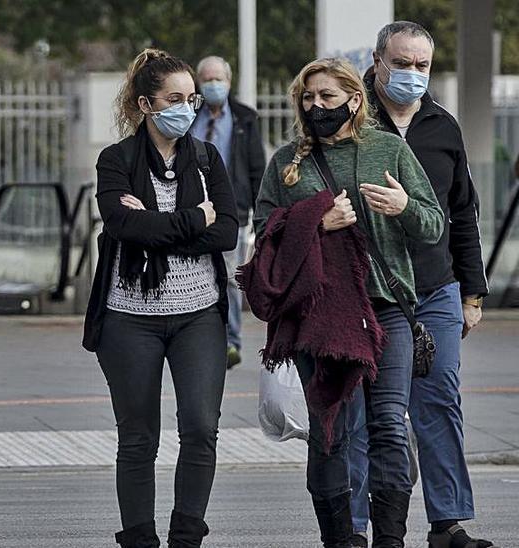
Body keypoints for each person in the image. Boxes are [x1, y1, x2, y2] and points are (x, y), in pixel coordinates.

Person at [252, 58, 442, 548]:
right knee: (330, 427)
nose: (317, 106)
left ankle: (390, 539)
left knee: (389, 427)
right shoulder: (285, 162)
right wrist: (315, 221)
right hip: (321, 315)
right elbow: (266, 232)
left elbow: (434, 224)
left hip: (385, 310)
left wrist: (403, 207)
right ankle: (340, 538)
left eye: (327, 97)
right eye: (308, 98)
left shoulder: (388, 149)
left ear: (355, 100)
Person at [81, 48, 238, 547]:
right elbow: (124, 224)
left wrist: (158, 228)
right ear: (147, 104)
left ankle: (186, 535)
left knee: (199, 426)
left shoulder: (208, 159)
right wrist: (196, 220)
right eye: (174, 98)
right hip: (130, 316)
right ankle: (140, 539)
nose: (187, 107)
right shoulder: (117, 160)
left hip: (199, 315)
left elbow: (229, 232)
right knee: (138, 437)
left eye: (192, 98)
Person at [346, 22, 493, 548]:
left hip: (435, 288)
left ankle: (448, 522)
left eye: (422, 66)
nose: (412, 74)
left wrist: (471, 293)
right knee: (364, 410)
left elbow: (463, 213)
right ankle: (356, 526)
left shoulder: (442, 126)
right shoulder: (351, 120)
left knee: (439, 401)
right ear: (377, 60)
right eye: (401, 63)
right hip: (369, 293)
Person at [192, 55, 266, 369]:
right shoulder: (188, 115)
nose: (212, 85)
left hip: (231, 210)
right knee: (196, 275)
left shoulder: (244, 119)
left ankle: (230, 343)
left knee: (229, 279)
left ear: (229, 82)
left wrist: (259, 211)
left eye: (217, 79)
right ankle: (198, 339)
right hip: (191, 209)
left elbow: (255, 166)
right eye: (207, 79)